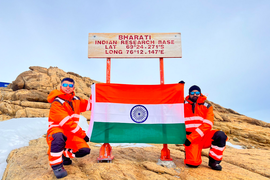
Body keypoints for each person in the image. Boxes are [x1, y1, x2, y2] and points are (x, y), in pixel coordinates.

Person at [46, 77, 92, 179]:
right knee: (58, 137)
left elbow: (90, 105)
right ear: (61, 86)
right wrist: (83, 135)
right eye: (65, 85)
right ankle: (57, 165)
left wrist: (96, 92)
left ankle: (64, 154)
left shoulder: (76, 100)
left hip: (70, 134)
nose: (68, 87)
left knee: (84, 150)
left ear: (73, 88)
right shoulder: (57, 102)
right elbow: (67, 123)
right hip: (57, 132)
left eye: (70, 85)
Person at [184, 85, 227, 170]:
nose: (195, 94)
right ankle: (190, 153)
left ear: (200, 94)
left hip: (203, 137)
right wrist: (177, 88)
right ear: (189, 94)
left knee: (221, 135)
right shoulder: (182, 105)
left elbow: (208, 124)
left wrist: (192, 138)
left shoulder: (207, 106)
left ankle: (214, 161)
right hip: (190, 139)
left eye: (197, 93)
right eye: (192, 93)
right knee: (193, 164)